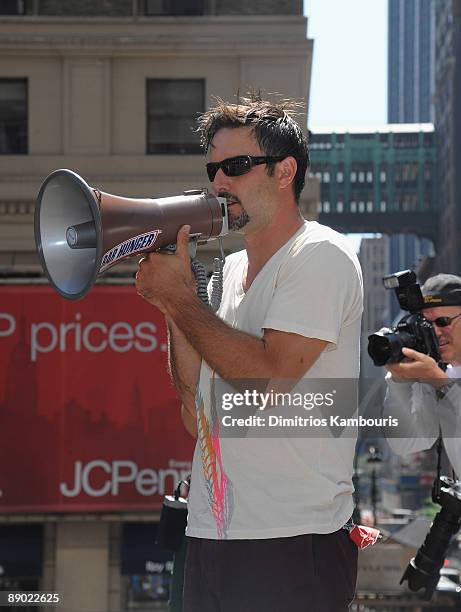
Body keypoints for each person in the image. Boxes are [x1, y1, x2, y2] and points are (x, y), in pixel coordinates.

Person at [136, 95, 363, 611]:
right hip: (211, 535)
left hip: (292, 538)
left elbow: (267, 382)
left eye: (236, 167)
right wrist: (177, 304)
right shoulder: (229, 270)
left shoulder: (320, 255)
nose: (219, 184)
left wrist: (179, 297)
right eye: (213, 168)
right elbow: (196, 413)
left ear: (285, 171)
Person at [382, 274, 461, 476]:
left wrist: (442, 384)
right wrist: (399, 381)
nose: (435, 333)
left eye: (442, 322)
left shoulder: (440, 377)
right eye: (426, 325)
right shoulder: (442, 372)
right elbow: (408, 442)